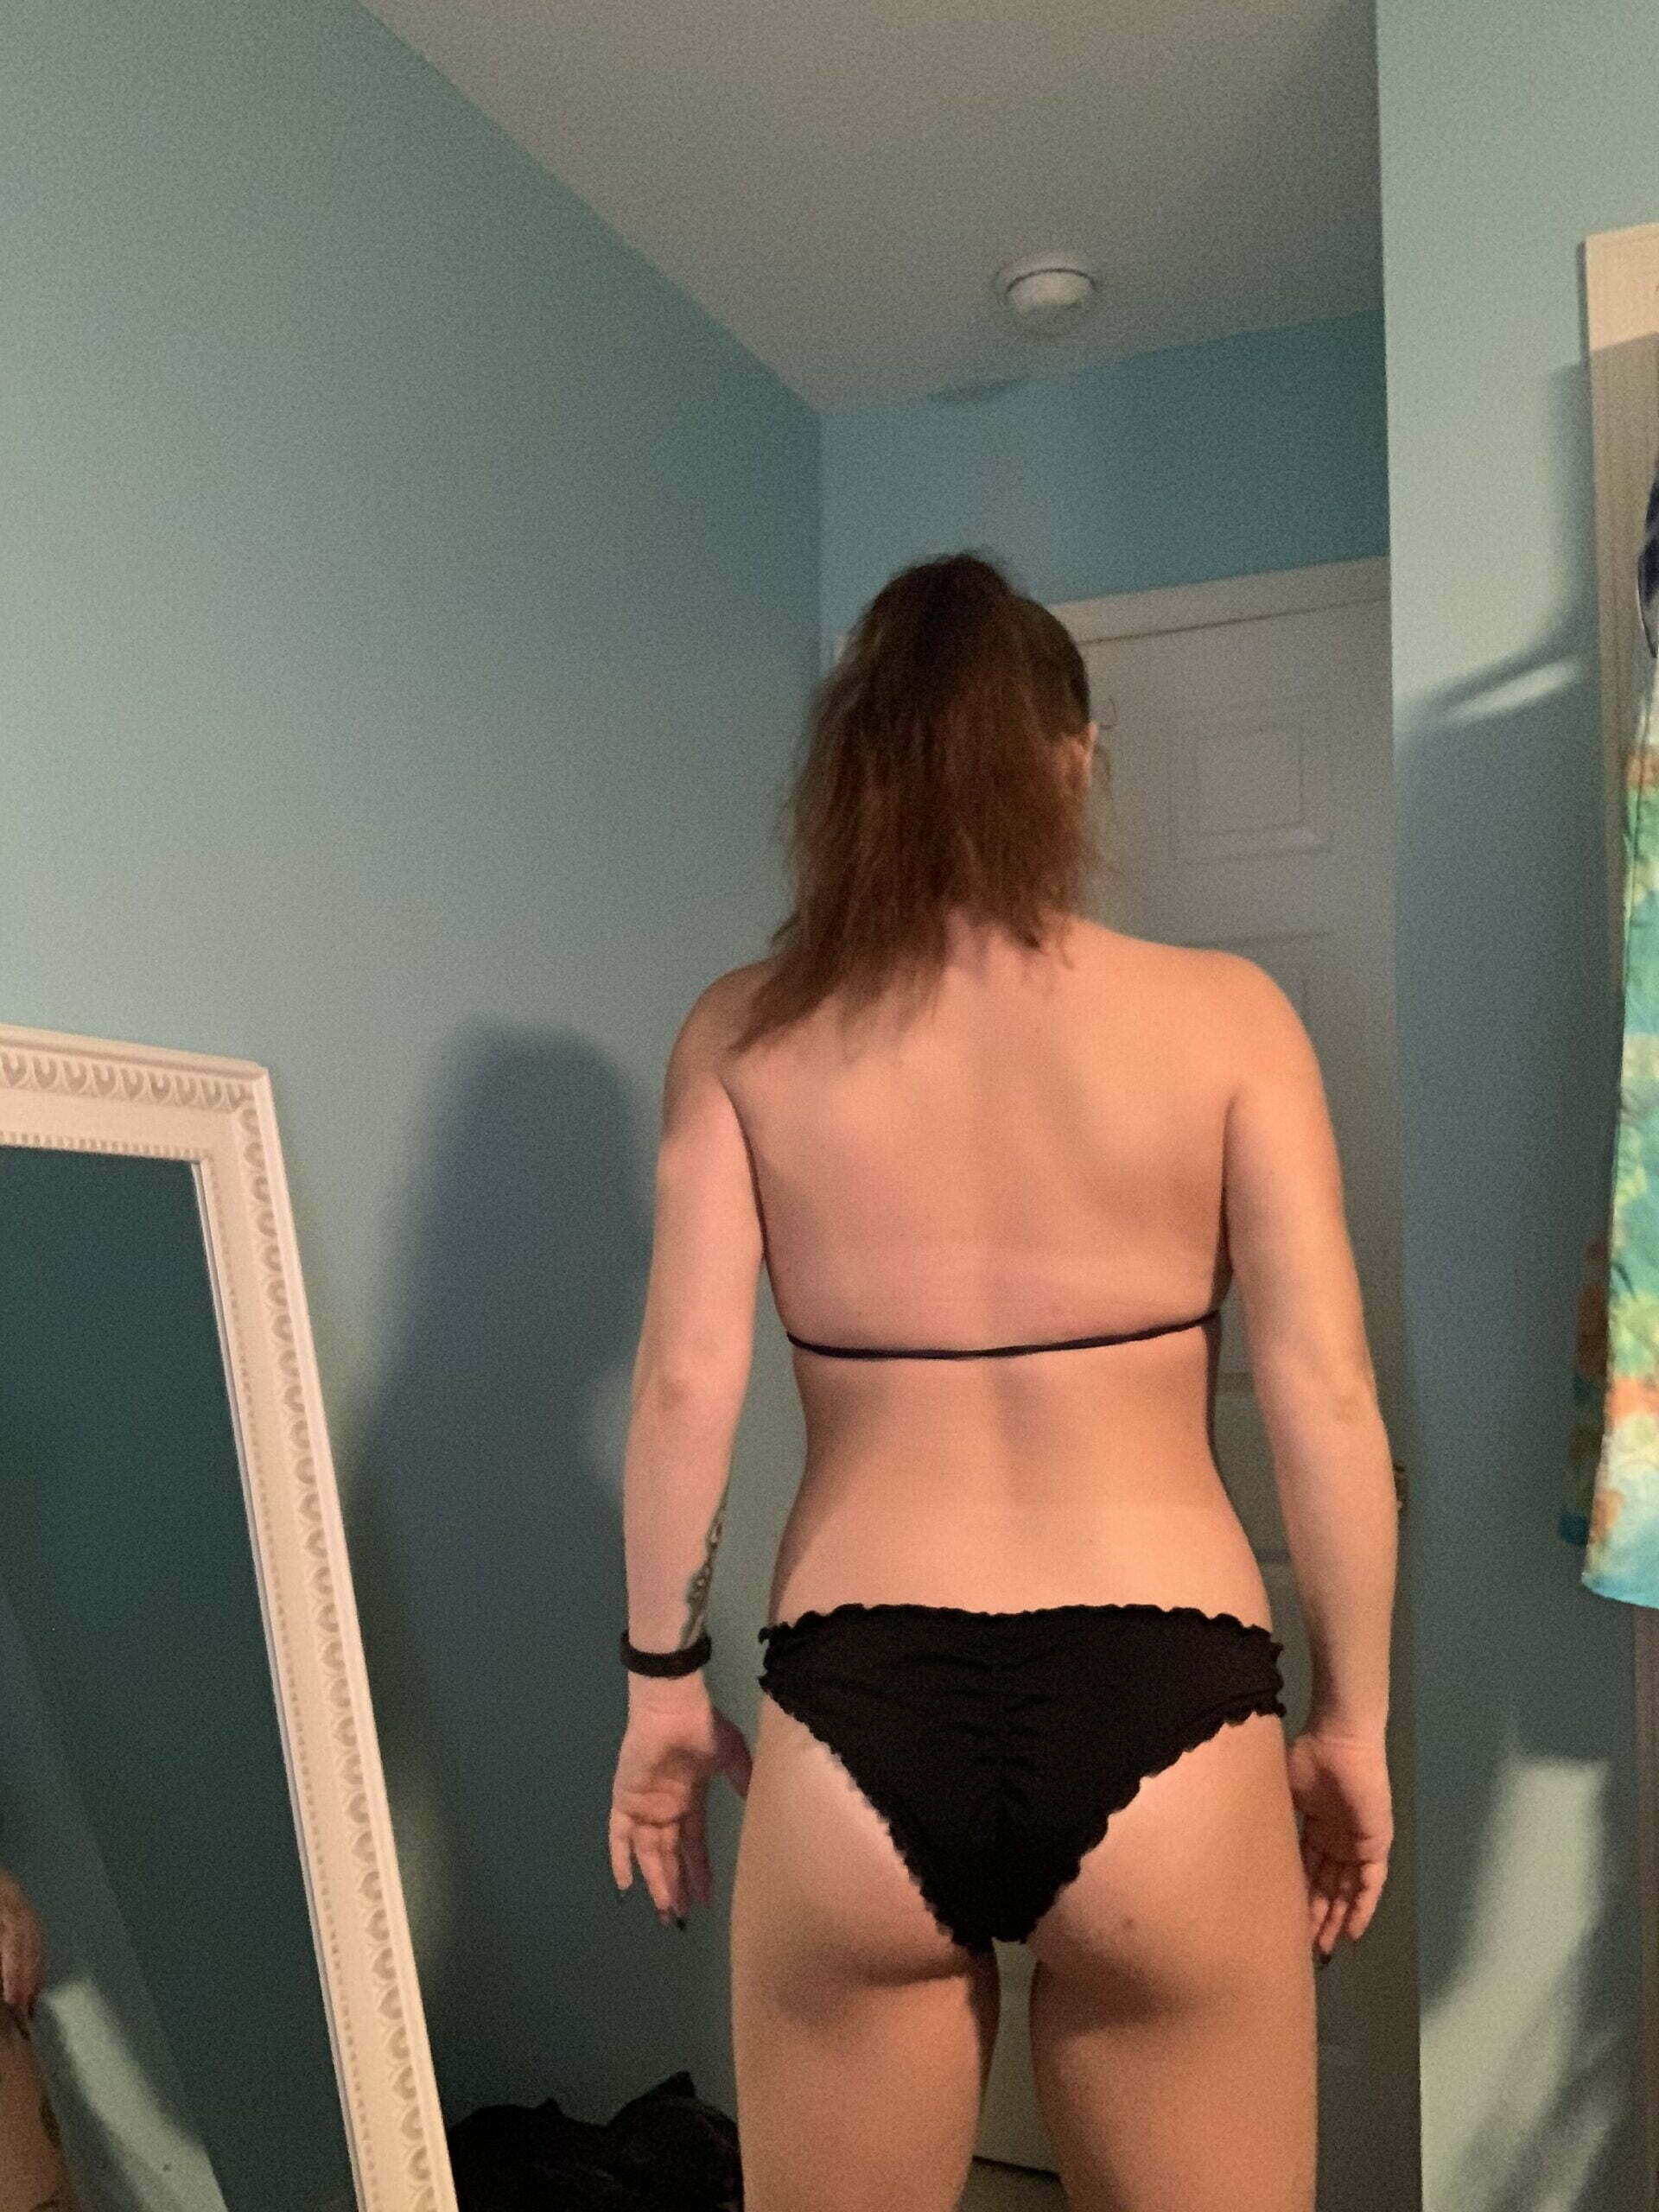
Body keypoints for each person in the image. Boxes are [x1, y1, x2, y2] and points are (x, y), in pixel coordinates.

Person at [607, 550, 1397, 2211]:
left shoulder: (744, 1035)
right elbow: (1325, 1397)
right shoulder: (1229, 1021)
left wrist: (661, 1691)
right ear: (1075, 762)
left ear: (857, 767)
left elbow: (683, 1387)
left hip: (857, 1709)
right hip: (1171, 1706)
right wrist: (1353, 1723)